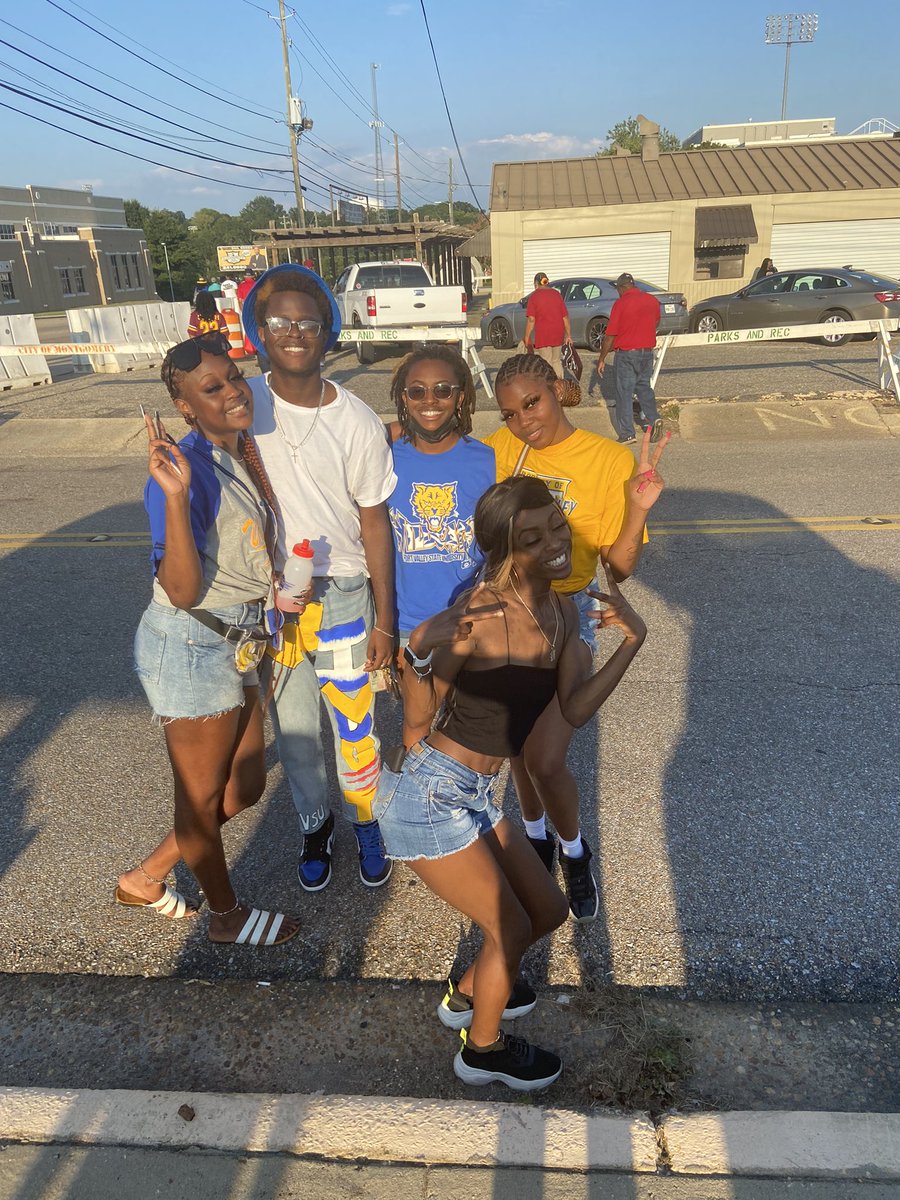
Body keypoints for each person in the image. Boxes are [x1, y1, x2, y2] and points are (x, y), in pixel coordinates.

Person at [373, 476, 647, 1090]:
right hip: (431, 794)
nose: (555, 543)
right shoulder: (480, 612)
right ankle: (483, 1051)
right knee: (512, 928)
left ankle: (470, 995)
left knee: (547, 909)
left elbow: (574, 709)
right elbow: (419, 718)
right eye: (533, 538)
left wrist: (634, 640)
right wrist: (418, 650)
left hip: (475, 794)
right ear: (505, 551)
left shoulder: (563, 611)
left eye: (557, 526)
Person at [115, 336, 299, 947]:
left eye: (234, 377)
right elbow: (183, 590)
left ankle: (145, 877)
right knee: (198, 801)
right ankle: (226, 916)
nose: (233, 392)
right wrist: (174, 497)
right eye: (211, 388)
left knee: (243, 787)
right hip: (193, 644)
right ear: (185, 406)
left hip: (238, 639)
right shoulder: (184, 472)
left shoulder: (237, 450)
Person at [483, 352, 668, 921]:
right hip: (511, 608)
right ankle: (536, 836)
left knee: (544, 757)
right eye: (511, 413)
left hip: (571, 609)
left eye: (532, 403)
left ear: (556, 390)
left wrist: (637, 509)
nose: (523, 421)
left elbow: (621, 567)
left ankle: (573, 849)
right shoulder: (499, 449)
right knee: (516, 744)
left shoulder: (608, 458)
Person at [243, 264, 397, 893]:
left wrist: (386, 620)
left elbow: (375, 523)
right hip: (276, 600)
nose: (295, 332)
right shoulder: (243, 404)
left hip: (343, 597)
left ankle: (366, 820)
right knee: (296, 730)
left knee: (354, 728)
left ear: (327, 331)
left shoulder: (356, 420)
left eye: (308, 322)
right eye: (280, 321)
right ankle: (315, 824)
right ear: (261, 331)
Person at [387, 346, 496, 744]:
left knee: (468, 727)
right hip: (409, 622)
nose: (429, 400)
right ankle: (412, 784)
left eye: (442, 390)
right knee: (417, 722)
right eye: (417, 391)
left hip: (470, 620)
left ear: (461, 396)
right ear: (404, 398)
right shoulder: (384, 457)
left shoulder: (487, 460)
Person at [595, 272, 663, 445]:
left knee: (624, 393)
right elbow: (656, 321)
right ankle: (654, 418)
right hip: (646, 352)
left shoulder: (621, 304)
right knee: (644, 388)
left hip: (627, 354)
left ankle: (627, 434)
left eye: (618, 289)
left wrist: (602, 358)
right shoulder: (651, 300)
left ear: (621, 288)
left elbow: (610, 335)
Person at [523, 273, 572, 378]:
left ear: (536, 284)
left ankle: (550, 385)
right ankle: (560, 383)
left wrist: (526, 336)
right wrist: (568, 335)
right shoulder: (557, 294)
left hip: (544, 334)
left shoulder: (534, 296)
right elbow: (565, 317)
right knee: (556, 361)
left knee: (546, 362)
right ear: (547, 282)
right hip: (558, 333)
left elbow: (531, 319)